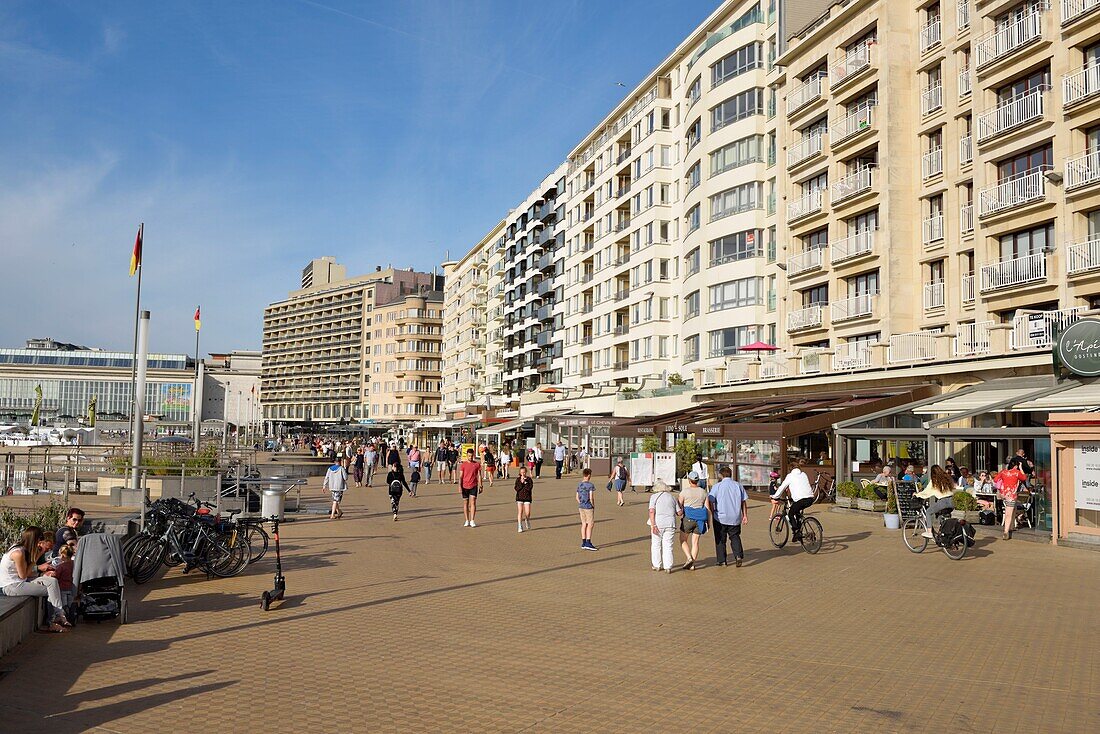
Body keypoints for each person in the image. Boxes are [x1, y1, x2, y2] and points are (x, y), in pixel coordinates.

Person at [0, 526, 70, 632]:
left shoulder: (22, 549)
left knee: (53, 582)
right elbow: (23, 575)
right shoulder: (18, 553)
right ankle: (51, 622)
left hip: (20, 582)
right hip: (11, 586)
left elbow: (24, 575)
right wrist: (38, 556)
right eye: (40, 540)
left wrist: (43, 575)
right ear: (35, 540)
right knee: (50, 591)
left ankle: (59, 614)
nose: (40, 543)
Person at [708, 466, 748, 567]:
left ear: (721, 475)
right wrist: (745, 515)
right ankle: (738, 555)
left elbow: (710, 500)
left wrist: (712, 513)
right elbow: (743, 502)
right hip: (735, 516)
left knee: (720, 539)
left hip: (720, 517)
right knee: (735, 537)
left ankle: (722, 560)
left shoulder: (717, 486)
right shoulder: (738, 485)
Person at [773, 460, 815, 542]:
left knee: (791, 513)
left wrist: (775, 496)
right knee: (798, 513)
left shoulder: (790, 476)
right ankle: (798, 534)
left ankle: (796, 531)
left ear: (790, 469)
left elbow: (782, 487)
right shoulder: (804, 474)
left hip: (801, 499)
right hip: (810, 498)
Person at [677, 473, 709, 571]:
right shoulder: (703, 492)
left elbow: (679, 505)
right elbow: (708, 508)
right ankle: (692, 564)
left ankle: (689, 558)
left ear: (689, 480)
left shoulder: (684, 492)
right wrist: (709, 522)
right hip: (700, 520)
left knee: (683, 539)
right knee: (695, 542)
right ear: (698, 480)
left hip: (688, 518)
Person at [648, 479, 680, 573]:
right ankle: (668, 566)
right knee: (668, 545)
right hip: (670, 523)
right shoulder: (672, 497)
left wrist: (653, 524)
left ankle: (657, 565)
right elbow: (679, 512)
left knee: (656, 544)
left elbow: (651, 511)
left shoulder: (654, 497)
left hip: (658, 523)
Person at [916, 465, 956, 539]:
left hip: (943, 501)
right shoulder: (946, 478)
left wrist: (917, 495)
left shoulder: (934, 481)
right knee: (942, 516)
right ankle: (945, 536)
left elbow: (927, 492)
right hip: (951, 500)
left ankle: (929, 532)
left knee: (928, 512)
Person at [995, 461, 1028, 540]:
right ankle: (1006, 531)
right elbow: (1024, 478)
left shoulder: (1003, 472)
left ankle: (1011, 526)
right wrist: (1021, 468)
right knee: (1008, 513)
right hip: (1012, 494)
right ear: (1016, 466)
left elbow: (995, 479)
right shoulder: (1016, 473)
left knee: (1013, 509)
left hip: (1004, 494)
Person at [459, 448, 483, 527]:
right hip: (465, 486)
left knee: (473, 502)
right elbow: (461, 477)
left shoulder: (477, 464)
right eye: (469, 456)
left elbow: (479, 475)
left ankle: (472, 520)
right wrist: (459, 486)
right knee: (465, 503)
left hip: (474, 485)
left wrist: (481, 485)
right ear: (467, 456)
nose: (470, 457)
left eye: (472, 456)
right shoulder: (463, 465)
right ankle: (466, 520)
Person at [576, 468, 597, 551]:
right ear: (588, 475)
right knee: (590, 524)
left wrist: (580, 502)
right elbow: (591, 497)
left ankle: (583, 542)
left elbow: (576, 497)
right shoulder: (590, 485)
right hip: (588, 506)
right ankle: (588, 542)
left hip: (581, 506)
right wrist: (593, 505)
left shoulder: (579, 485)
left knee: (584, 524)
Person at [53, 545, 75, 610]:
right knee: (71, 604)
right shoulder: (75, 564)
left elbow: (56, 576)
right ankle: (72, 615)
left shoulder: (61, 566)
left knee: (64, 605)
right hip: (72, 588)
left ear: (62, 555)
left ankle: (65, 615)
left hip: (62, 588)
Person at [514, 465, 534, 532]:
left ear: (526, 472)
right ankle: (520, 526)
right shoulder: (518, 480)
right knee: (520, 511)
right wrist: (521, 483)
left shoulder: (529, 479)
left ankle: (527, 520)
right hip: (519, 497)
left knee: (527, 512)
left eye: (524, 472)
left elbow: (529, 488)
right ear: (520, 473)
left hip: (527, 498)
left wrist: (525, 483)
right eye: (522, 472)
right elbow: (516, 488)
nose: (523, 474)